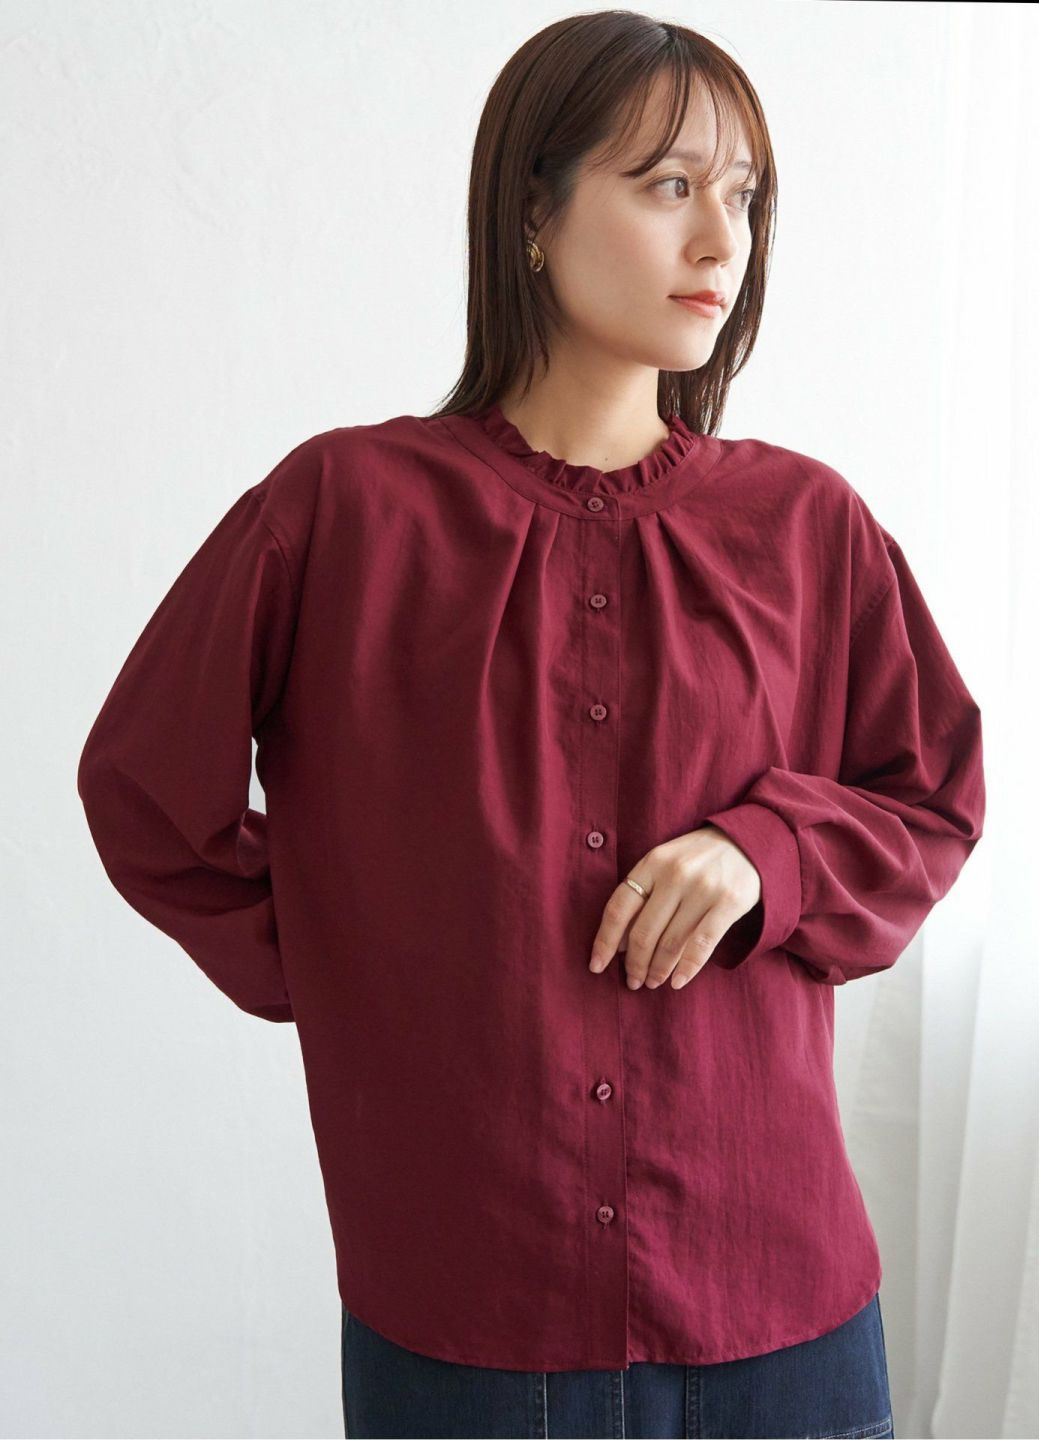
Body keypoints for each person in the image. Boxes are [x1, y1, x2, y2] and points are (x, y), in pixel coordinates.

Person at [78, 11, 985, 1439]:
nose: (723, 240)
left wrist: (769, 854)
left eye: (745, 195)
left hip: (781, 1309)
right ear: (533, 216)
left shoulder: (809, 524)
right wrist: (375, 967)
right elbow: (146, 793)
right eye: (669, 184)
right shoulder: (343, 511)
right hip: (467, 1319)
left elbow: (930, 797)